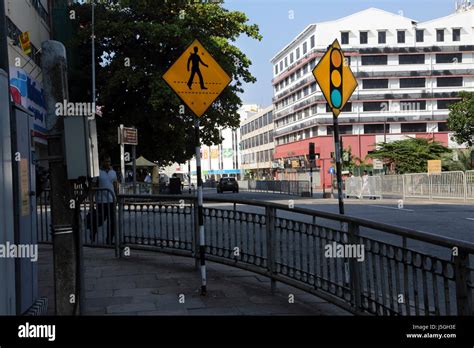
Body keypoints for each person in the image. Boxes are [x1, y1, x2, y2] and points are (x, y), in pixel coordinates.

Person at [93, 156, 118, 243]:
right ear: (102, 162)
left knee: (112, 222)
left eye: (109, 162)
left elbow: (115, 186)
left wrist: (117, 198)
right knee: (99, 220)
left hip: (111, 201)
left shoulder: (113, 173)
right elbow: (94, 186)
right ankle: (93, 232)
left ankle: (109, 240)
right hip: (101, 201)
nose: (108, 163)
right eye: (106, 161)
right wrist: (92, 201)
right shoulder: (98, 173)